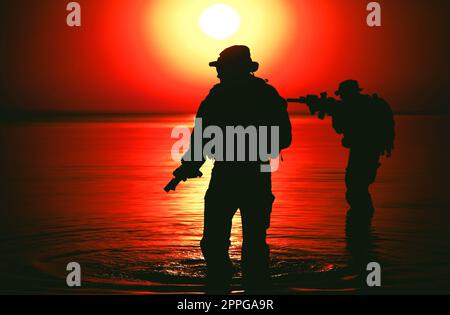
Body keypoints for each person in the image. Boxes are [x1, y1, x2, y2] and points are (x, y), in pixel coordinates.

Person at [171, 45, 292, 294]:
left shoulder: (220, 96)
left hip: (233, 177)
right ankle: (248, 287)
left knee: (221, 243)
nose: (218, 74)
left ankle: (222, 286)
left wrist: (191, 166)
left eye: (222, 68)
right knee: (247, 243)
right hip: (250, 176)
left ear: (233, 69)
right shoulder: (264, 95)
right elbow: (284, 138)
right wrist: (189, 166)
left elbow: (200, 140)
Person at [331, 80, 395, 236]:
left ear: (347, 93)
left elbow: (340, 128)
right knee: (359, 187)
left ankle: (360, 226)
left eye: (343, 95)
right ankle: (363, 226)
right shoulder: (367, 105)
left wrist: (336, 112)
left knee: (355, 187)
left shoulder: (355, 108)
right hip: (369, 151)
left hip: (363, 151)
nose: (342, 99)